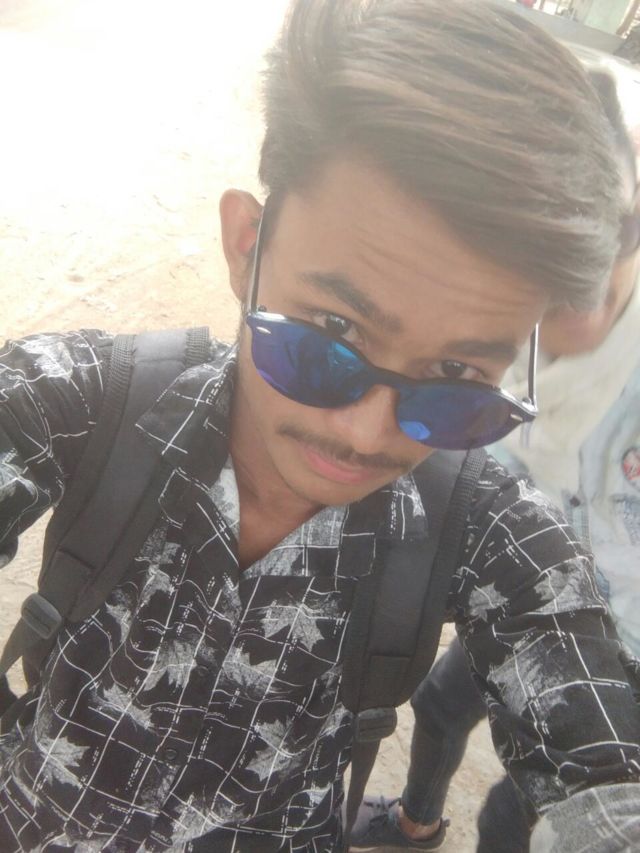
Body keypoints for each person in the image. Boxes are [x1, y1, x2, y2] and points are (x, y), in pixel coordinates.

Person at [0, 1, 639, 851]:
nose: (369, 432)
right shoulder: (82, 399)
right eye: (333, 331)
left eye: (456, 377)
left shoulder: (483, 528)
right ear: (246, 246)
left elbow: (604, 772)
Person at [349, 66, 640, 853]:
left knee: (521, 808)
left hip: (626, 640)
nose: (575, 299)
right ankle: (416, 824)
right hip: (522, 586)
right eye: (541, 273)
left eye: (606, 242)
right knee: (439, 705)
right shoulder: (485, 328)